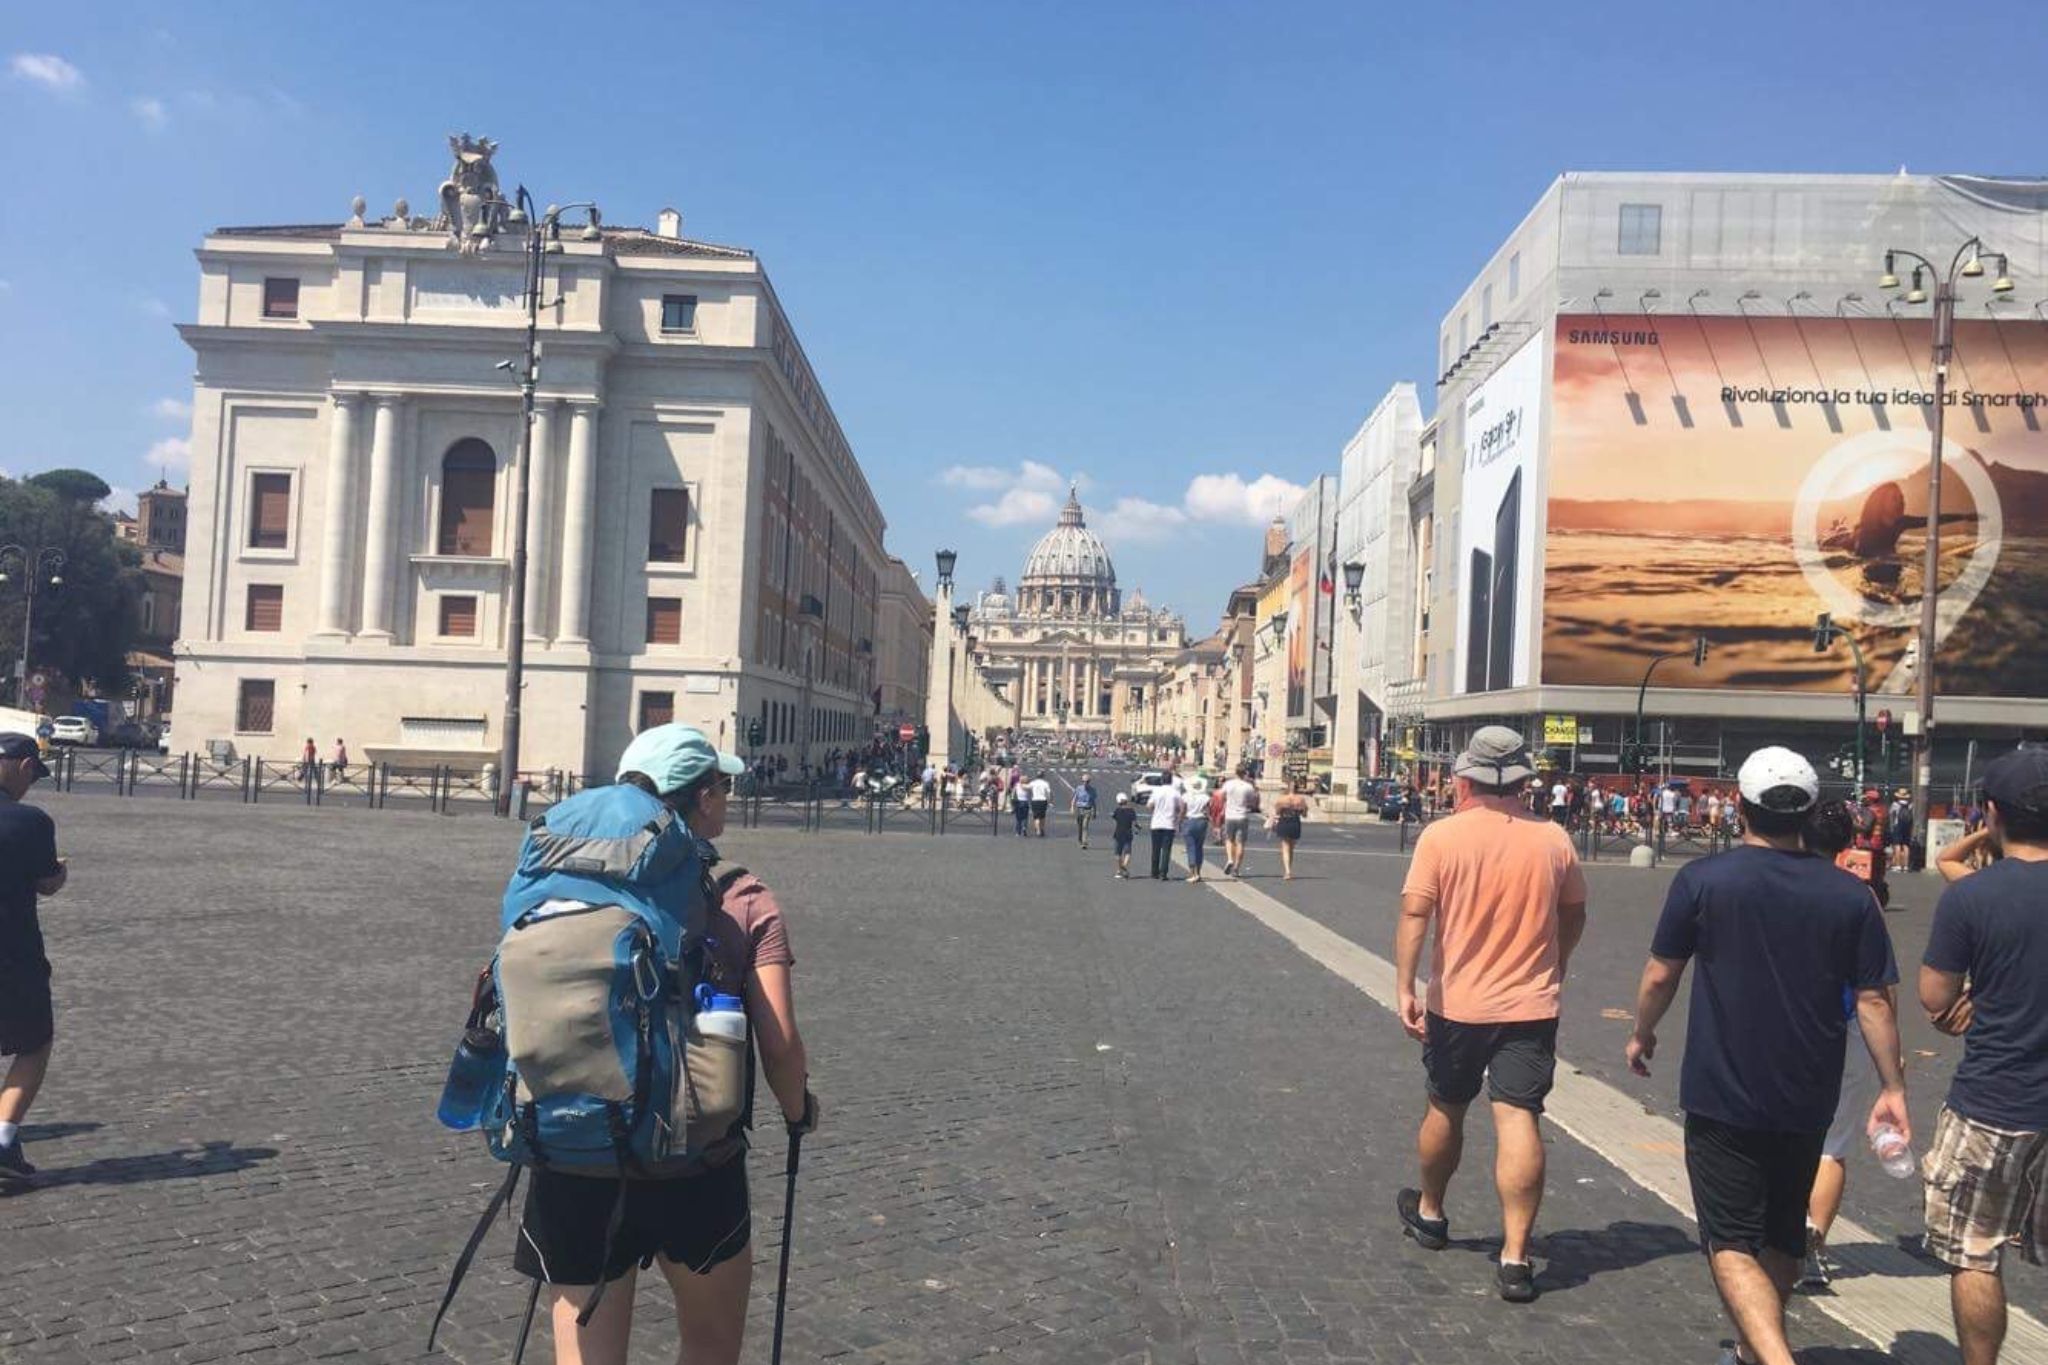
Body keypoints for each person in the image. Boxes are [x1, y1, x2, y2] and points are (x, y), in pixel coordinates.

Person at [513, 724, 818, 1365]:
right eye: (724, 786)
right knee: (708, 1347)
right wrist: (798, 1112)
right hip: (695, 1163)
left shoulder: (557, 877)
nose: (729, 799)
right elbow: (781, 1043)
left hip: (575, 1151)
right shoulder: (742, 896)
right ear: (704, 798)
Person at [1627, 747, 1906, 1365]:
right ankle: (1755, 1356)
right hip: (1809, 1090)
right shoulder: (1850, 896)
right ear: (1807, 812)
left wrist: (1643, 1032)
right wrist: (1893, 1086)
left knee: (1728, 1238)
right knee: (1782, 1233)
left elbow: (1659, 974)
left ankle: (1775, 1359)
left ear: (1741, 806)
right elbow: (1875, 1002)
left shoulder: (1703, 880)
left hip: (1722, 1088)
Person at [1394, 726, 1588, 1304]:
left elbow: (1415, 916)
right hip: (1530, 1003)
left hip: (1458, 1002)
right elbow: (1575, 914)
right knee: (1520, 1117)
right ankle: (1515, 1256)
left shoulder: (1442, 837)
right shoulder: (1554, 839)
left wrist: (1406, 984)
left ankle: (1430, 1212)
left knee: (1446, 1105)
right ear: (1524, 781)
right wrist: (1555, 963)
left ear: (1465, 778)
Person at [1918, 747, 2048, 1365]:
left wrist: (1973, 996)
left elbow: (1934, 999)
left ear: (1992, 813)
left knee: (1975, 1252)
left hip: (1995, 1100)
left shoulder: (1972, 896)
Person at [1794, 799, 1898, 1290]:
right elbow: (1878, 988)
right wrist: (1891, 1061)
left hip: (1785, 1030)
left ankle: (1771, 1239)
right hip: (1849, 1027)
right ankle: (1813, 1242)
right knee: (1832, 1146)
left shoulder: (1774, 885)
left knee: (1778, 1138)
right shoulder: (1861, 897)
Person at [0, 733, 66, 1182]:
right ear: (22, 766)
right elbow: (45, 881)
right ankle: (2, 1137)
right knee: (34, 1041)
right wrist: (59, 873)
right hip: (12, 951)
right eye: (33, 776)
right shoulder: (30, 822)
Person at [1220, 767, 1259, 877]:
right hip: (1242, 815)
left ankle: (1230, 859)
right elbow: (1252, 802)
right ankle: (1236, 868)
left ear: (1235, 773)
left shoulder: (1228, 784)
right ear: (1245, 773)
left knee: (1229, 839)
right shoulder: (1248, 786)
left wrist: (1225, 805)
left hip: (1230, 815)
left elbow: (1222, 796)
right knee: (1240, 843)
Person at [1148, 778, 1185, 881]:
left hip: (1156, 823)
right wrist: (1178, 820)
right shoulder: (1175, 792)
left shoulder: (1156, 791)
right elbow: (1181, 808)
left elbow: (1149, 805)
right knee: (1166, 850)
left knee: (1155, 849)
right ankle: (1163, 873)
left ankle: (1154, 872)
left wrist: (1156, 811)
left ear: (1162, 781)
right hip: (1169, 824)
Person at [1269, 788, 1309, 881]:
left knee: (1285, 847)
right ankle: (1288, 870)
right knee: (1291, 848)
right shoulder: (1301, 799)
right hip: (1295, 822)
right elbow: (1304, 814)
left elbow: (1277, 812)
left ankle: (1287, 871)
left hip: (1284, 821)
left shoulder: (1281, 799)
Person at [1181, 779, 1212, 883]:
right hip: (1201, 821)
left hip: (1189, 820)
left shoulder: (1186, 796)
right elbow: (1208, 811)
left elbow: (1183, 810)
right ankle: (1198, 872)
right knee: (1199, 847)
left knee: (1190, 847)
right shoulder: (1205, 797)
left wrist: (1179, 821)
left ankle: (1192, 872)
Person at [1110, 792, 1137, 879]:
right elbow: (1135, 823)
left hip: (1118, 834)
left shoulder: (1117, 811)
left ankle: (1119, 869)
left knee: (1117, 853)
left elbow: (1114, 817)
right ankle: (1124, 865)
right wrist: (1138, 827)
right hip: (1128, 834)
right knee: (1128, 852)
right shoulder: (1131, 811)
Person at [1073, 775, 1097, 849]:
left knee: (1085, 826)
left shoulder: (1092, 790)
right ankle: (1080, 839)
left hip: (1088, 809)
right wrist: (1072, 806)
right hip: (1079, 809)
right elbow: (1075, 797)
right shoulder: (1079, 788)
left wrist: (1094, 812)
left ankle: (1084, 842)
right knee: (1080, 825)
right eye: (1083, 781)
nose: (1085, 783)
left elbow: (1093, 801)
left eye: (1087, 782)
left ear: (1089, 782)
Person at [1029, 772, 1052, 837]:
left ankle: (1037, 830)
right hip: (1043, 800)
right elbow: (1048, 793)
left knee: (1036, 817)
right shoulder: (1045, 783)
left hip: (1035, 800)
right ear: (1043, 776)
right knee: (1042, 816)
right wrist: (1049, 800)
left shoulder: (1033, 783)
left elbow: (1028, 787)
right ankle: (1041, 829)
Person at [1010, 771, 1030, 837]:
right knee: (1025, 817)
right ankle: (1024, 828)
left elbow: (1013, 793)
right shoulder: (1028, 786)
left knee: (1018, 818)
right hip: (1025, 802)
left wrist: (1012, 801)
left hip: (1018, 802)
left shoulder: (1017, 785)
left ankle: (1018, 832)